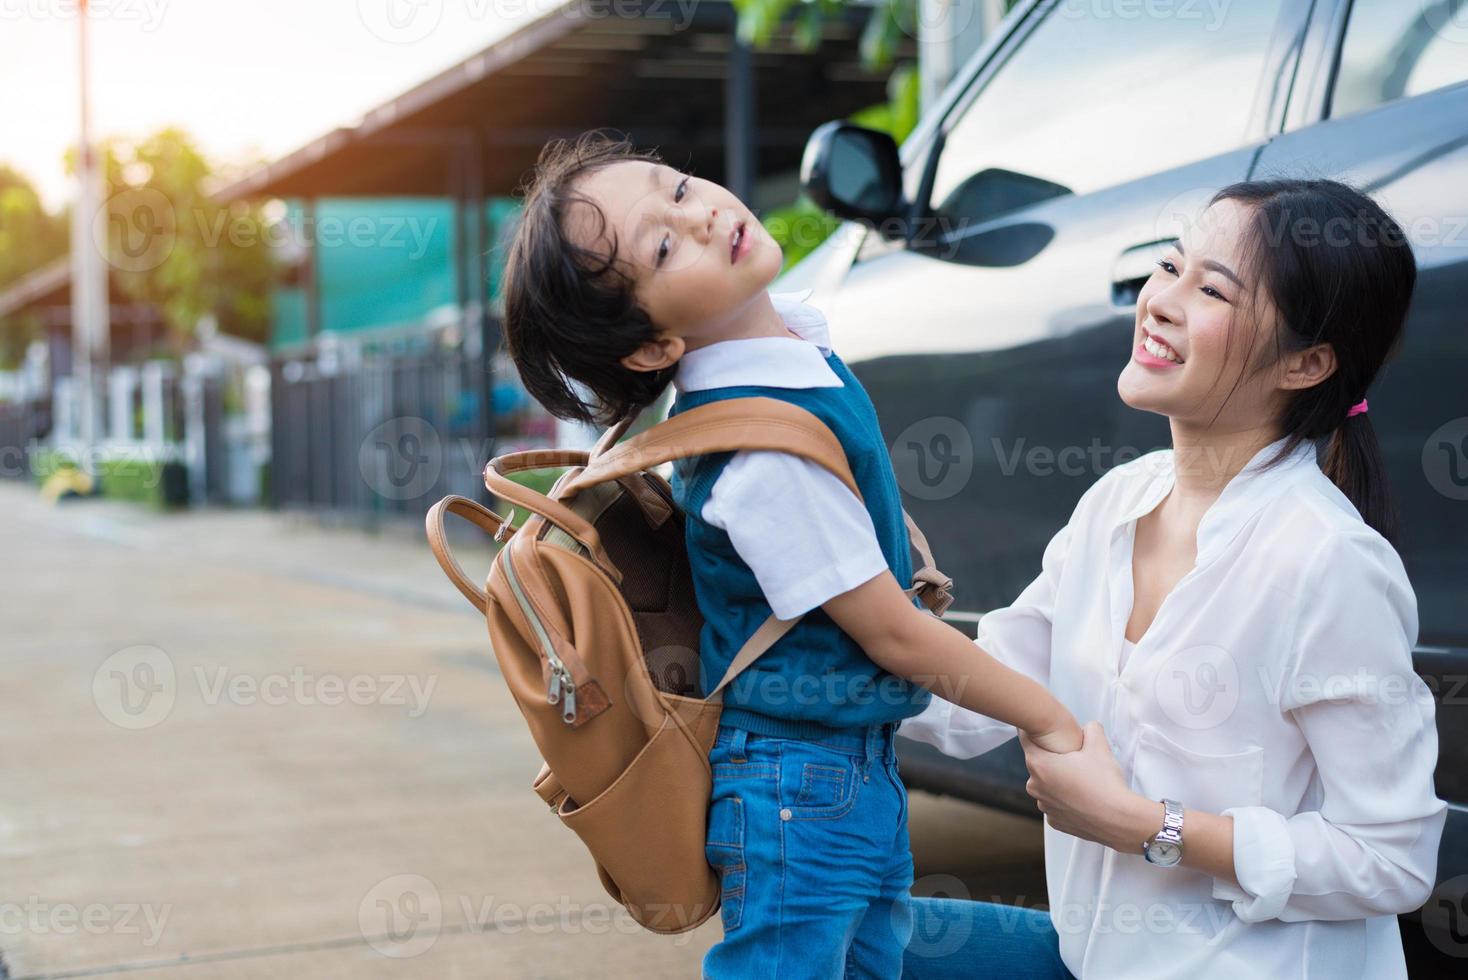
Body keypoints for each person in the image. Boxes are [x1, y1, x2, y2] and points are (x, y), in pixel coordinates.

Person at [499, 130, 1083, 977]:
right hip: (797, 796)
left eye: (680, 184)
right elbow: (896, 635)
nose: (700, 216)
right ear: (655, 348)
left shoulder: (793, 349)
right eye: (663, 246)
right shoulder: (764, 460)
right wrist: (1047, 717)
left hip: (845, 776)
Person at [900, 179, 1446, 979]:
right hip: (1096, 960)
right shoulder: (1118, 501)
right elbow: (986, 691)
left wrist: (1140, 823)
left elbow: (1391, 860)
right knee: (831, 933)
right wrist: (806, 642)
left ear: (1307, 363)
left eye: (1212, 288)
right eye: (1170, 265)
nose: (1159, 300)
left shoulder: (1328, 562)